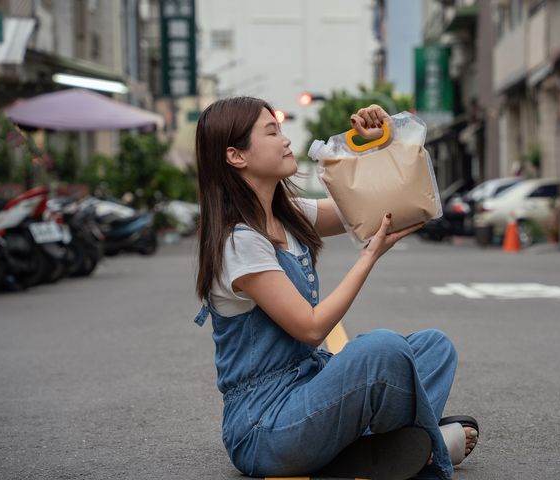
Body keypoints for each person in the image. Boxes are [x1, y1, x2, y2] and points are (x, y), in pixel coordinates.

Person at [193, 97, 478, 480]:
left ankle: (378, 448)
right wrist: (368, 257)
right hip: (265, 426)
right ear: (236, 156)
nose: (286, 140)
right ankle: (426, 446)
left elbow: (383, 203)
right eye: (272, 131)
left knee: (433, 346)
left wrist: (381, 143)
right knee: (382, 349)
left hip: (310, 393)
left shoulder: (288, 215)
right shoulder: (239, 241)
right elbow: (311, 329)